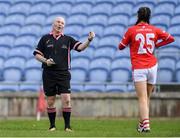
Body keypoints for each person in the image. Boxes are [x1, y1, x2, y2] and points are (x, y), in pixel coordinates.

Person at [33, 16, 95, 132]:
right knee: (50, 100)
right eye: (58, 22)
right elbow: (37, 54)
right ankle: (52, 126)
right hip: (48, 73)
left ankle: (67, 126)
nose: (60, 24)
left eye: (62, 23)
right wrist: (46, 61)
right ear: (53, 24)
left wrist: (89, 40)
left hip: (63, 74)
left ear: (64, 26)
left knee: (66, 99)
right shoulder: (45, 38)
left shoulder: (68, 39)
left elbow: (80, 48)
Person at [118, 7, 174, 132]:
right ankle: (141, 124)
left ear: (138, 16)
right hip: (153, 66)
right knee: (147, 97)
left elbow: (120, 46)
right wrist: (156, 45)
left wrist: (131, 42)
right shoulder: (154, 29)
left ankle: (146, 125)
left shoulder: (131, 30)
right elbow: (171, 38)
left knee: (142, 98)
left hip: (139, 67)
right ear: (149, 16)